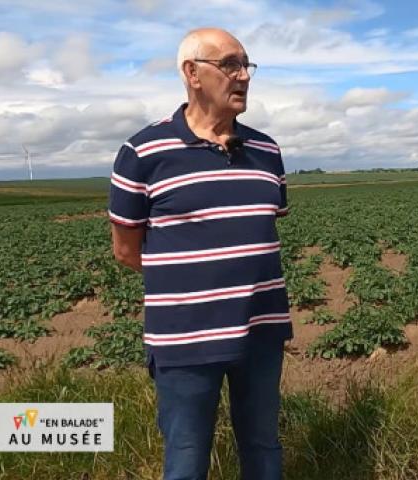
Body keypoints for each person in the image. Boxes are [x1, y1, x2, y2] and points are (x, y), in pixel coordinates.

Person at [108, 28, 291, 480]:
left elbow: (259, 229)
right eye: (230, 64)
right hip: (185, 340)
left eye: (246, 65)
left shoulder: (267, 150)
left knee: (264, 449)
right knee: (187, 461)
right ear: (192, 73)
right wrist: (194, 291)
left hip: (261, 332)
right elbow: (127, 251)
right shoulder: (143, 152)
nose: (243, 76)